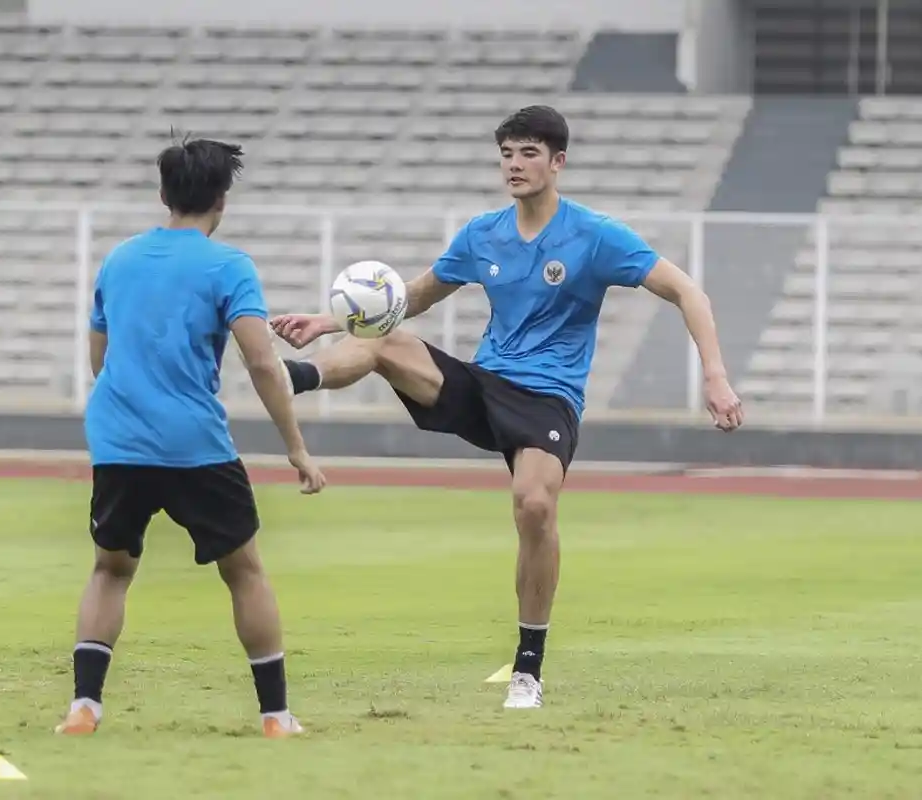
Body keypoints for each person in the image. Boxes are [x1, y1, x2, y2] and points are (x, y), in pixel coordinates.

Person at [270, 105, 744, 710]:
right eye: (507, 154)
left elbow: (686, 290)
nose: (514, 165)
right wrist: (325, 319)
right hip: (483, 384)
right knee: (383, 338)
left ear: (557, 162)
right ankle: (288, 379)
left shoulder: (595, 235)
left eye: (527, 153)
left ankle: (528, 670)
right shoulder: (481, 233)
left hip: (548, 396)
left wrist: (716, 376)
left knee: (535, 505)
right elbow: (410, 298)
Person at [56, 137, 326, 739]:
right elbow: (262, 362)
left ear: (163, 195)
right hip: (193, 443)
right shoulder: (228, 266)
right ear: (222, 201)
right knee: (245, 572)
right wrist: (295, 446)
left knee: (110, 569)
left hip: (118, 438)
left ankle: (84, 707)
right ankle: (276, 717)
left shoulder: (120, 259)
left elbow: (99, 358)